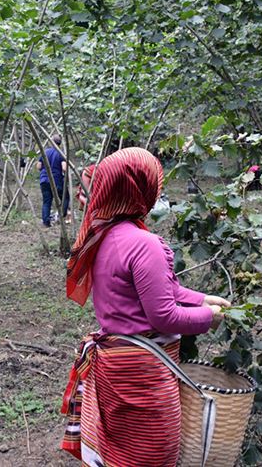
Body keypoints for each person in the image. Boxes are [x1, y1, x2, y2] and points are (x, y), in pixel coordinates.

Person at [60, 148, 229, 465]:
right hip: (144, 374)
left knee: (123, 449)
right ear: (141, 188)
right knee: (153, 453)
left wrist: (202, 299)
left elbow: (161, 288)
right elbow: (164, 315)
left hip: (115, 365)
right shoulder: (144, 243)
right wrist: (210, 318)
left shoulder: (106, 235)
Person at [36, 135, 69, 227]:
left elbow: (38, 166)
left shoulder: (45, 152)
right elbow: (64, 168)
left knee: (47, 201)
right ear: (60, 143)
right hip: (56, 180)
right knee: (65, 198)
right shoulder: (61, 153)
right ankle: (62, 216)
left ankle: (46, 222)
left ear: (51, 142)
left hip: (44, 180)